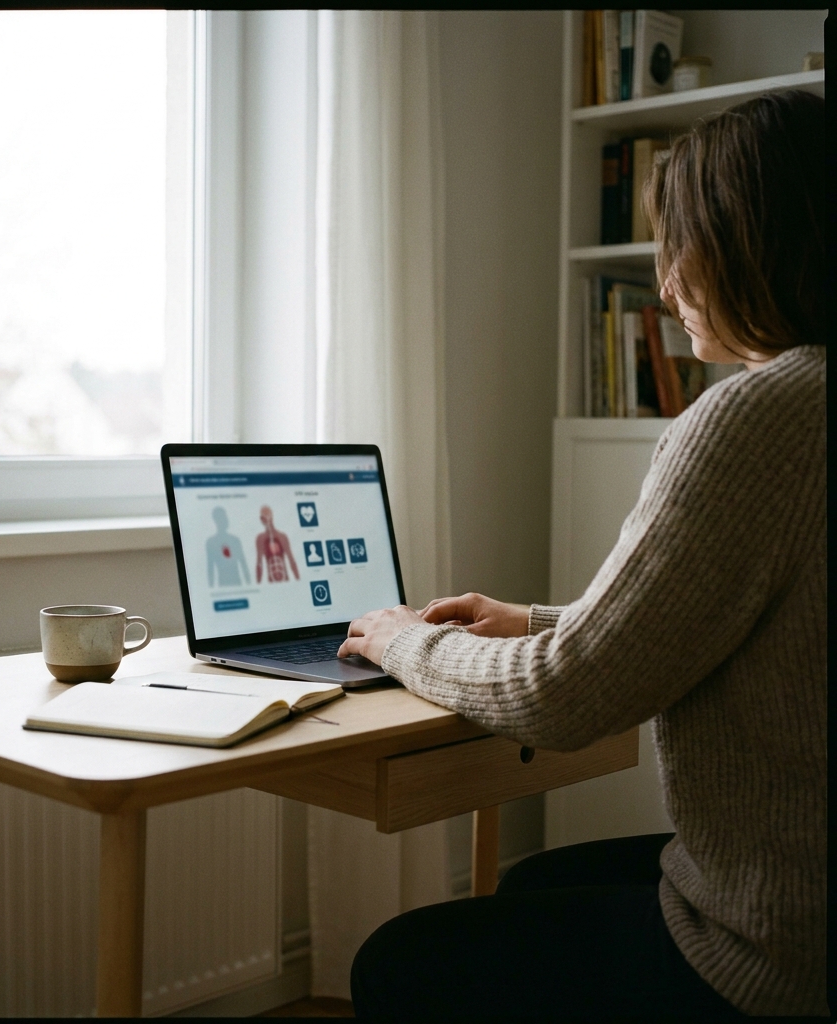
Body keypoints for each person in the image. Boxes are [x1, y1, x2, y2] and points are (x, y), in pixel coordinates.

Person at [338, 89, 825, 1020]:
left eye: (680, 244)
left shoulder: (758, 415)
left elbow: (564, 697)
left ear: (747, 240)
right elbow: (762, 626)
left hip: (774, 952)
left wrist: (402, 640)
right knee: (532, 890)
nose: (666, 283)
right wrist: (540, 621)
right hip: (800, 902)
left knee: (396, 962)